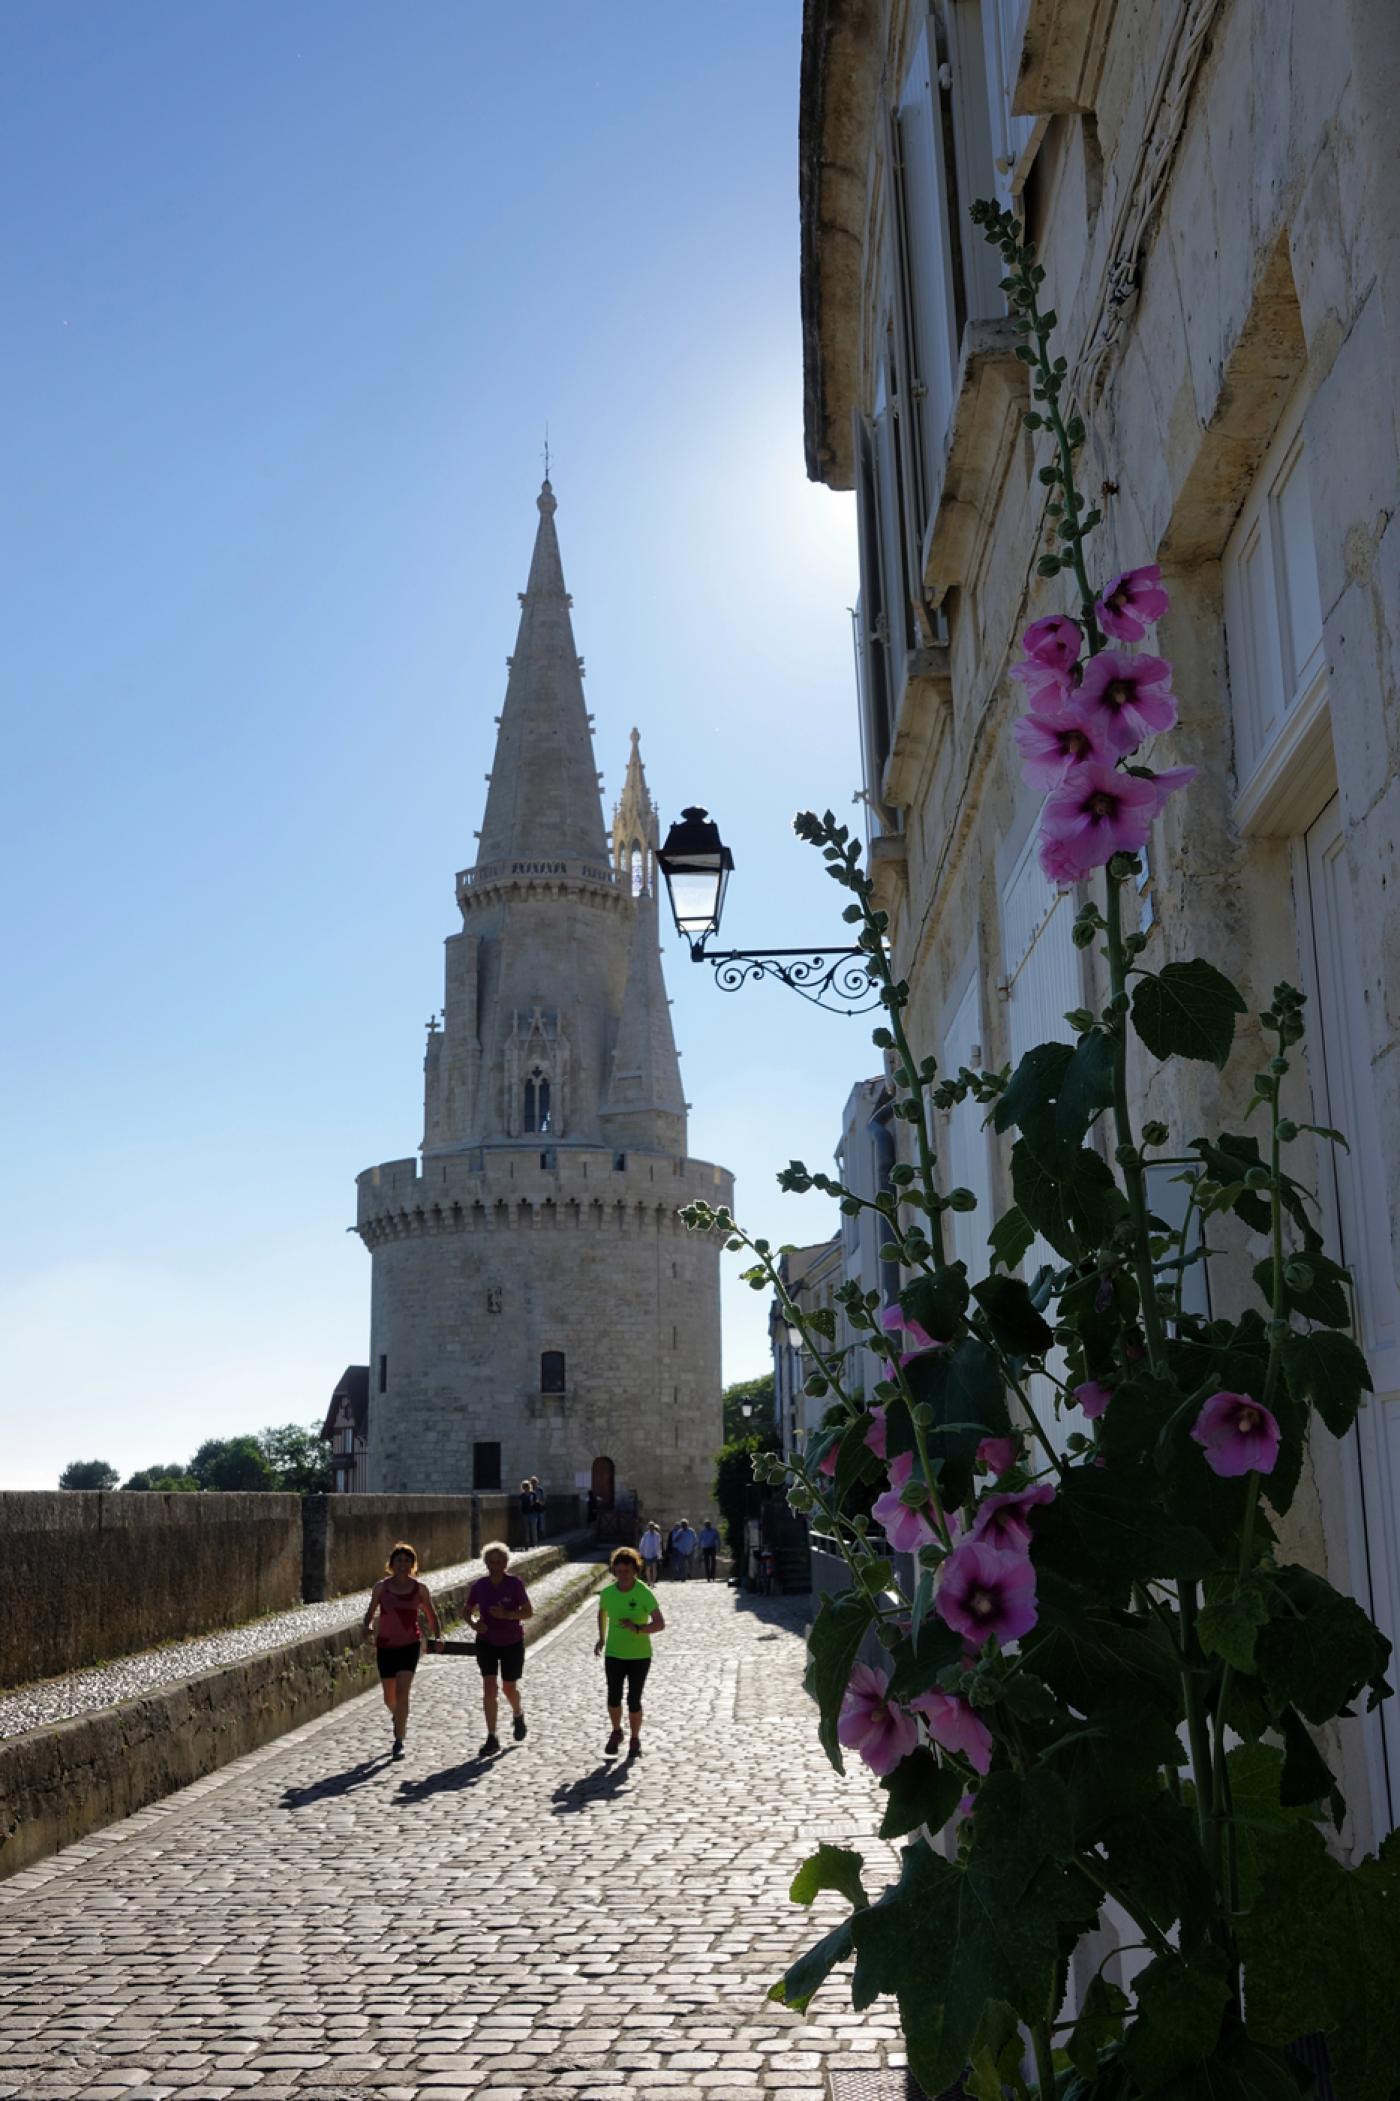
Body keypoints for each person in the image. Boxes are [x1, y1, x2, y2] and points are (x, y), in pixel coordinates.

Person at [361, 1542, 442, 1761]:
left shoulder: (420, 1589)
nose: (403, 1565)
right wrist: (367, 1626)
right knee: (389, 1697)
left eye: (407, 1561)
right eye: (399, 1561)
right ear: (392, 1563)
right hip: (386, 1645)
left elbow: (432, 1616)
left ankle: (399, 1740)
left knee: (402, 1692)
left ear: (413, 1565)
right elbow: (370, 1614)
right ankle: (399, 1718)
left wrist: (438, 1637)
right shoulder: (381, 1587)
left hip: (409, 1645)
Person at [594, 1545, 665, 1762]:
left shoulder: (643, 1592)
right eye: (619, 1571)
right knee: (613, 1697)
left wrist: (638, 1628)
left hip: (639, 1656)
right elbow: (602, 1612)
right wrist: (601, 1637)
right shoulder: (607, 1593)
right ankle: (617, 1731)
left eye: (627, 1571)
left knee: (634, 1699)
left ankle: (635, 1738)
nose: (623, 1575)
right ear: (614, 1570)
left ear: (635, 1570)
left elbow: (660, 1624)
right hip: (614, 1653)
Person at [466, 1541, 534, 1756]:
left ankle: (518, 1713)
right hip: (486, 1641)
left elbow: (528, 1611)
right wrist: (475, 1624)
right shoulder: (480, 1585)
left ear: (506, 1563)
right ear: (485, 1563)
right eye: (491, 1561)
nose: (495, 1565)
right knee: (489, 1687)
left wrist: (507, 1615)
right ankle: (492, 1736)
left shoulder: (514, 1584)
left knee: (508, 1687)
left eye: (499, 1561)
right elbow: (467, 1611)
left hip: (512, 1642)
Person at [638, 1520, 662, 1585]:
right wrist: (641, 1552)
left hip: (654, 1553)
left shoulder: (657, 1535)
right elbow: (642, 1544)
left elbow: (659, 1544)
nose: (651, 1527)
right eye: (650, 1526)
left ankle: (653, 1582)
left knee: (654, 1568)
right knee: (648, 1568)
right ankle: (648, 1581)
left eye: (652, 1526)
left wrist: (659, 1554)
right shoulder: (646, 1535)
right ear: (648, 1527)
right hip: (647, 1553)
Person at [530, 1475, 546, 1545]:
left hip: (540, 1509)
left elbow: (543, 1499)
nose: (534, 1483)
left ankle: (542, 1538)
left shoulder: (540, 1490)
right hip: (533, 1510)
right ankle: (536, 1540)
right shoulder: (530, 1490)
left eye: (535, 1482)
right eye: (532, 1482)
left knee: (541, 1525)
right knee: (534, 1525)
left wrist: (540, 1502)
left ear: (537, 1482)